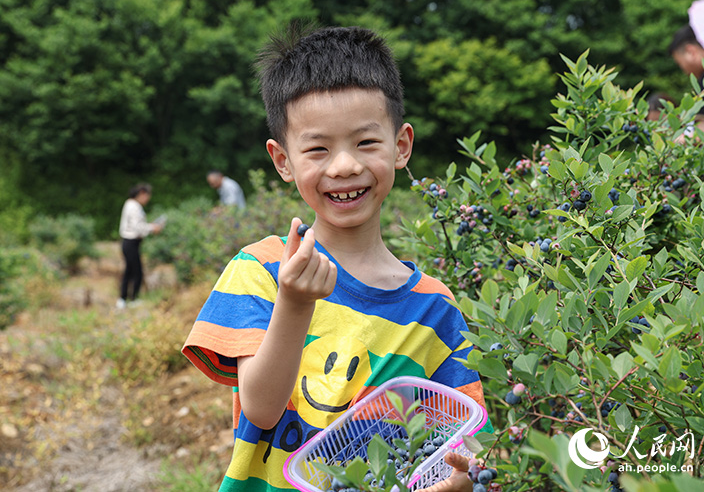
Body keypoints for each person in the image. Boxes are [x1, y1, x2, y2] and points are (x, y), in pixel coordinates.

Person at [182, 25, 488, 492]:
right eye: (318, 148)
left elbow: (463, 443)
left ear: (401, 146)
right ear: (283, 160)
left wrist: (462, 480)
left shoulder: (435, 309)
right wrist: (295, 304)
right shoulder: (261, 269)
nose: (344, 165)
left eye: (366, 142)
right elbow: (260, 409)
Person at [117, 183, 163, 309]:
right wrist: (152, 228)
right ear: (142, 193)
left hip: (128, 242)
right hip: (131, 242)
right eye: (147, 195)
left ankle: (123, 299)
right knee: (136, 271)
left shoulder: (130, 204)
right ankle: (131, 299)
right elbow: (138, 228)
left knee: (129, 271)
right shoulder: (134, 206)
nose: (148, 199)